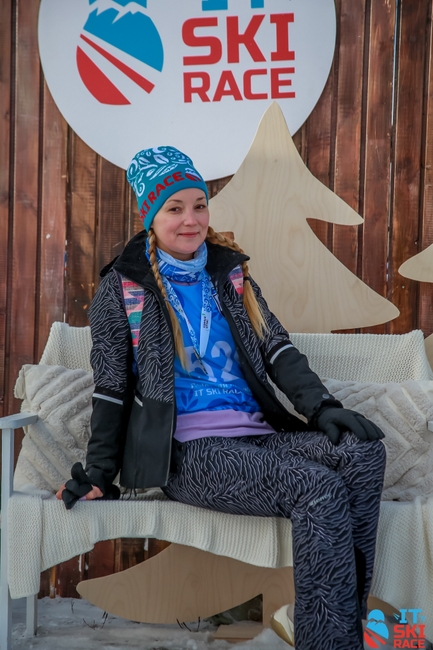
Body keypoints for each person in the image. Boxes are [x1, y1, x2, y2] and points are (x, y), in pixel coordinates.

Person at [56, 146, 386, 650]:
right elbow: (111, 386)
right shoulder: (123, 288)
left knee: (363, 453)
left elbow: (275, 347)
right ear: (150, 216)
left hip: (257, 437)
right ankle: (333, 641)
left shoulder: (230, 273)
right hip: (188, 453)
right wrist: (100, 472)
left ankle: (338, 624)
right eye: (174, 208)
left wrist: (322, 408)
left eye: (199, 205)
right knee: (317, 487)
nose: (191, 220)